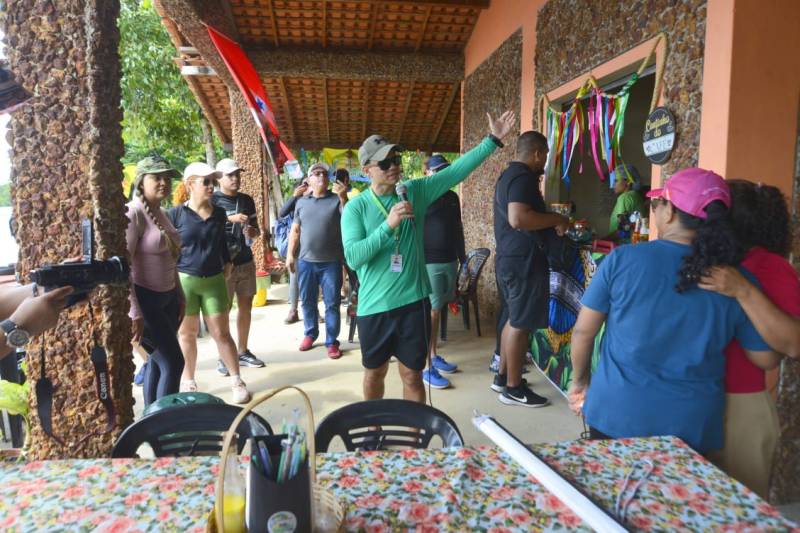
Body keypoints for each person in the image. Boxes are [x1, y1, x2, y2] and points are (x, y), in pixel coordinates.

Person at [567, 168, 781, 454]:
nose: (654, 210)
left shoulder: (621, 260)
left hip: (617, 412)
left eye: (657, 204)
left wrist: (580, 382)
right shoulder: (737, 280)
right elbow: (765, 357)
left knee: (608, 496)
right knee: (678, 500)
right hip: (692, 426)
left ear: (669, 212)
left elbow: (583, 332)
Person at [341, 110, 516, 403]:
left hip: (414, 303)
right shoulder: (355, 208)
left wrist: (492, 140)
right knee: (375, 374)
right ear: (368, 168)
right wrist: (388, 226)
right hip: (375, 307)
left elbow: (454, 172)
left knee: (412, 375)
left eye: (396, 160)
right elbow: (354, 258)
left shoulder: (412, 191)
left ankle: (415, 436)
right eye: (385, 163)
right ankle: (371, 428)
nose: (394, 167)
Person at [697, 180, 800, 497]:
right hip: (693, 397)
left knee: (737, 511)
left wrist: (743, 290)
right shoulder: (705, 259)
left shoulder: (770, 266)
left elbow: (793, 343)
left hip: (739, 406)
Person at [493, 131, 569, 407]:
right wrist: (557, 218)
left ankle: (502, 378)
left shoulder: (508, 176)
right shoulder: (523, 178)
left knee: (513, 319)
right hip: (522, 261)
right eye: (546, 155)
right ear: (537, 153)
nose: (545, 161)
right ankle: (513, 388)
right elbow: (518, 218)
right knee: (519, 323)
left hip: (510, 259)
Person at [168, 162, 251, 404]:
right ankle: (189, 382)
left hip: (214, 280)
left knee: (222, 333)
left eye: (212, 182)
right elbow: (168, 249)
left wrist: (227, 262)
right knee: (187, 334)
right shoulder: (175, 214)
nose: (210, 186)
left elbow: (222, 242)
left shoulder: (219, 213)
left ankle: (237, 380)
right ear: (190, 184)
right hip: (186, 281)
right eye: (205, 182)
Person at [125, 155, 185, 405]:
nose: (163, 182)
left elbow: (171, 258)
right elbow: (124, 266)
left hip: (169, 298)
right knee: (173, 362)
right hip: (147, 301)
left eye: (167, 178)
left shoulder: (162, 212)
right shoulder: (133, 213)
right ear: (141, 181)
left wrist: (180, 294)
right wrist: (134, 311)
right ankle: (164, 426)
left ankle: (151, 423)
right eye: (156, 177)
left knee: (155, 364)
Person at [286, 163, 348, 358]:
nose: (321, 176)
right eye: (316, 173)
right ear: (309, 180)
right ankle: (310, 333)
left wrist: (343, 197)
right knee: (308, 301)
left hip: (331, 262)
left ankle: (332, 341)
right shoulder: (301, 202)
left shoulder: (335, 199)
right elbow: (295, 230)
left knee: (332, 303)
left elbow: (349, 221)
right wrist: (289, 254)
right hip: (305, 261)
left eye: (324, 173)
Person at [212, 158, 266, 375]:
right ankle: (223, 357)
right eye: (230, 175)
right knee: (222, 312)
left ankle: (242, 351)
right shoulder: (212, 200)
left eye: (237, 174)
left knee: (246, 307)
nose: (235, 178)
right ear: (219, 179)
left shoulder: (247, 200)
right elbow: (203, 227)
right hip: (222, 265)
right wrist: (229, 218)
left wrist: (253, 233)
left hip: (245, 261)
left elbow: (256, 230)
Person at [421, 154, 466, 389]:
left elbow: (458, 229)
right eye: (437, 171)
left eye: (445, 170)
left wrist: (464, 259)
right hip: (430, 262)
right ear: (428, 174)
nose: (442, 174)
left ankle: (434, 354)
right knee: (433, 311)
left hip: (451, 261)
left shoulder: (452, 197)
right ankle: (426, 365)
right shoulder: (423, 196)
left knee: (438, 311)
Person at [278, 180, 311, 324]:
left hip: (313, 245)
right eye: (304, 184)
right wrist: (294, 196)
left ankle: (312, 310)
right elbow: (282, 213)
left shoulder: (316, 198)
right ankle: (293, 310)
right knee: (294, 278)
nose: (307, 187)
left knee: (313, 280)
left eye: (308, 184)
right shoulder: (295, 202)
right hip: (297, 244)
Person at [607, 164, 645, 235]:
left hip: (622, 244)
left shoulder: (624, 198)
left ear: (628, 181)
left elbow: (621, 231)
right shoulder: (636, 196)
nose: (612, 185)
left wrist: (604, 240)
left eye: (616, 181)